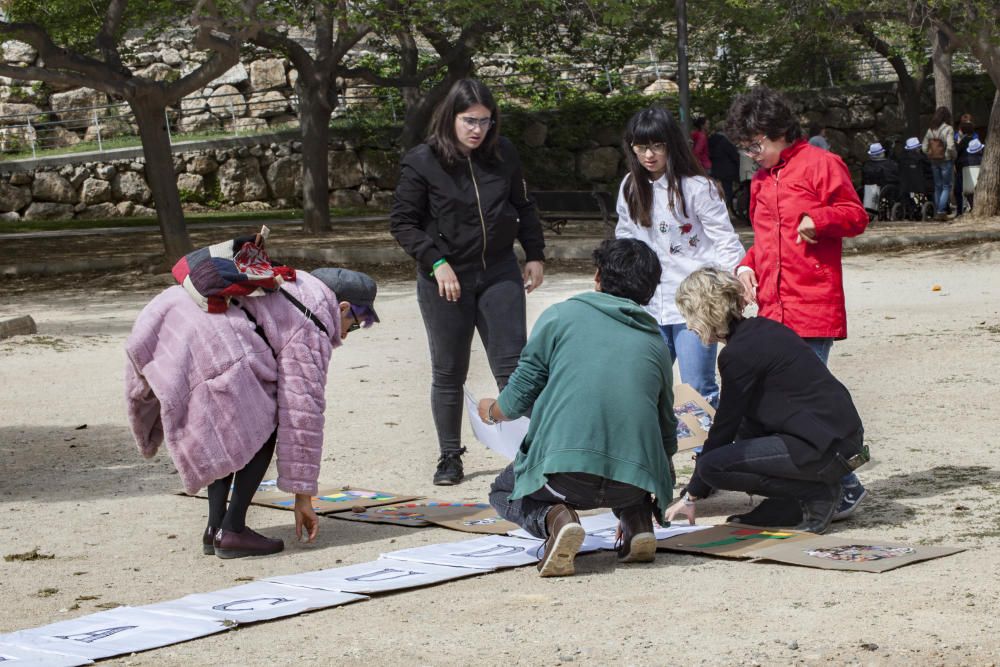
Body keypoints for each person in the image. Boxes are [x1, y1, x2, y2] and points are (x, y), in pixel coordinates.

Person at [125, 267, 380, 558]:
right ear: (343, 307)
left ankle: (215, 528)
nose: (346, 334)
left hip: (174, 319)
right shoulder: (314, 320)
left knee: (229, 425)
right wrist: (303, 496)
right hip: (214, 341)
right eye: (355, 323)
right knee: (266, 423)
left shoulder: (292, 285)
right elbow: (302, 411)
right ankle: (232, 530)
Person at [481, 239, 677, 577]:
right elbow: (665, 428)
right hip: (632, 482)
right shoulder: (655, 341)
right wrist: (657, 487)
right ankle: (637, 519)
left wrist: (490, 412)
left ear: (598, 276)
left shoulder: (561, 316)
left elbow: (517, 398)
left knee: (502, 489)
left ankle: (556, 519)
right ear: (649, 291)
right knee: (621, 459)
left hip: (566, 476)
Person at [390, 79, 546, 486]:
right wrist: (436, 261)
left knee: (514, 367)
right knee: (449, 370)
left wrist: (534, 254)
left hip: (498, 272)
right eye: (469, 121)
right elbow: (402, 223)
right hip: (445, 278)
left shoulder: (504, 153)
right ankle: (449, 455)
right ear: (451, 118)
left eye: (485, 121)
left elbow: (522, 206)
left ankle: (527, 452)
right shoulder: (422, 161)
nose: (478, 130)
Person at [725, 86, 869, 520]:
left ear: (780, 131)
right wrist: (746, 267)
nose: (752, 154)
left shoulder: (823, 164)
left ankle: (845, 484)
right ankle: (815, 486)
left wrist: (819, 219)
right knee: (775, 405)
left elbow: (856, 215)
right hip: (773, 307)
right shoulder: (762, 179)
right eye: (745, 147)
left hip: (813, 304)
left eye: (756, 144)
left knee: (804, 407)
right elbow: (765, 241)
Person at [664, 268, 867, 534]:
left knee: (712, 466)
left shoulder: (737, 354)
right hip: (839, 437)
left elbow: (724, 427)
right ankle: (789, 502)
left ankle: (816, 494)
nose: (689, 326)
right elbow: (743, 420)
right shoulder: (763, 329)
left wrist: (692, 494)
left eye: (690, 317)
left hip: (825, 447)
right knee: (742, 435)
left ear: (706, 313)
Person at [615, 106, 745, 407]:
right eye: (641, 146)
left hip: (694, 306)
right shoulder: (630, 187)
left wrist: (733, 290)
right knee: (644, 386)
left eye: (657, 146)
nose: (649, 155)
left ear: (671, 144)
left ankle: (705, 453)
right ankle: (656, 451)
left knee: (698, 387)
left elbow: (725, 242)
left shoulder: (698, 188)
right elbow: (625, 240)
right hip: (648, 304)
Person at [922, 106, 957, 221]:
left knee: (938, 186)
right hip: (946, 161)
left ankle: (938, 212)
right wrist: (952, 155)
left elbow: (923, 148)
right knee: (946, 186)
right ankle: (942, 211)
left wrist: (930, 154)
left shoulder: (930, 130)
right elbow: (951, 146)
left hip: (934, 161)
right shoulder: (948, 129)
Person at [708, 119, 741, 213]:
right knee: (728, 191)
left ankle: (718, 210)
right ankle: (724, 210)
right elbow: (734, 155)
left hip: (715, 169)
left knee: (716, 192)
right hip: (727, 170)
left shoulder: (710, 140)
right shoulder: (725, 141)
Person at [860, 142, 899, 214]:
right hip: (884, 188)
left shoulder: (867, 165)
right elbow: (894, 177)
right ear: (882, 153)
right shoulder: (890, 164)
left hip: (868, 189)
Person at [954, 114, 979, 216]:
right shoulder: (975, 140)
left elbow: (956, 154)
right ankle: (973, 207)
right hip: (975, 167)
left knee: (958, 190)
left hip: (962, 168)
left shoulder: (963, 141)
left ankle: (960, 211)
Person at [962, 138, 984, 211]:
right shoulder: (982, 160)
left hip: (968, 187)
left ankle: (972, 207)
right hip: (980, 186)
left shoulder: (964, 161)